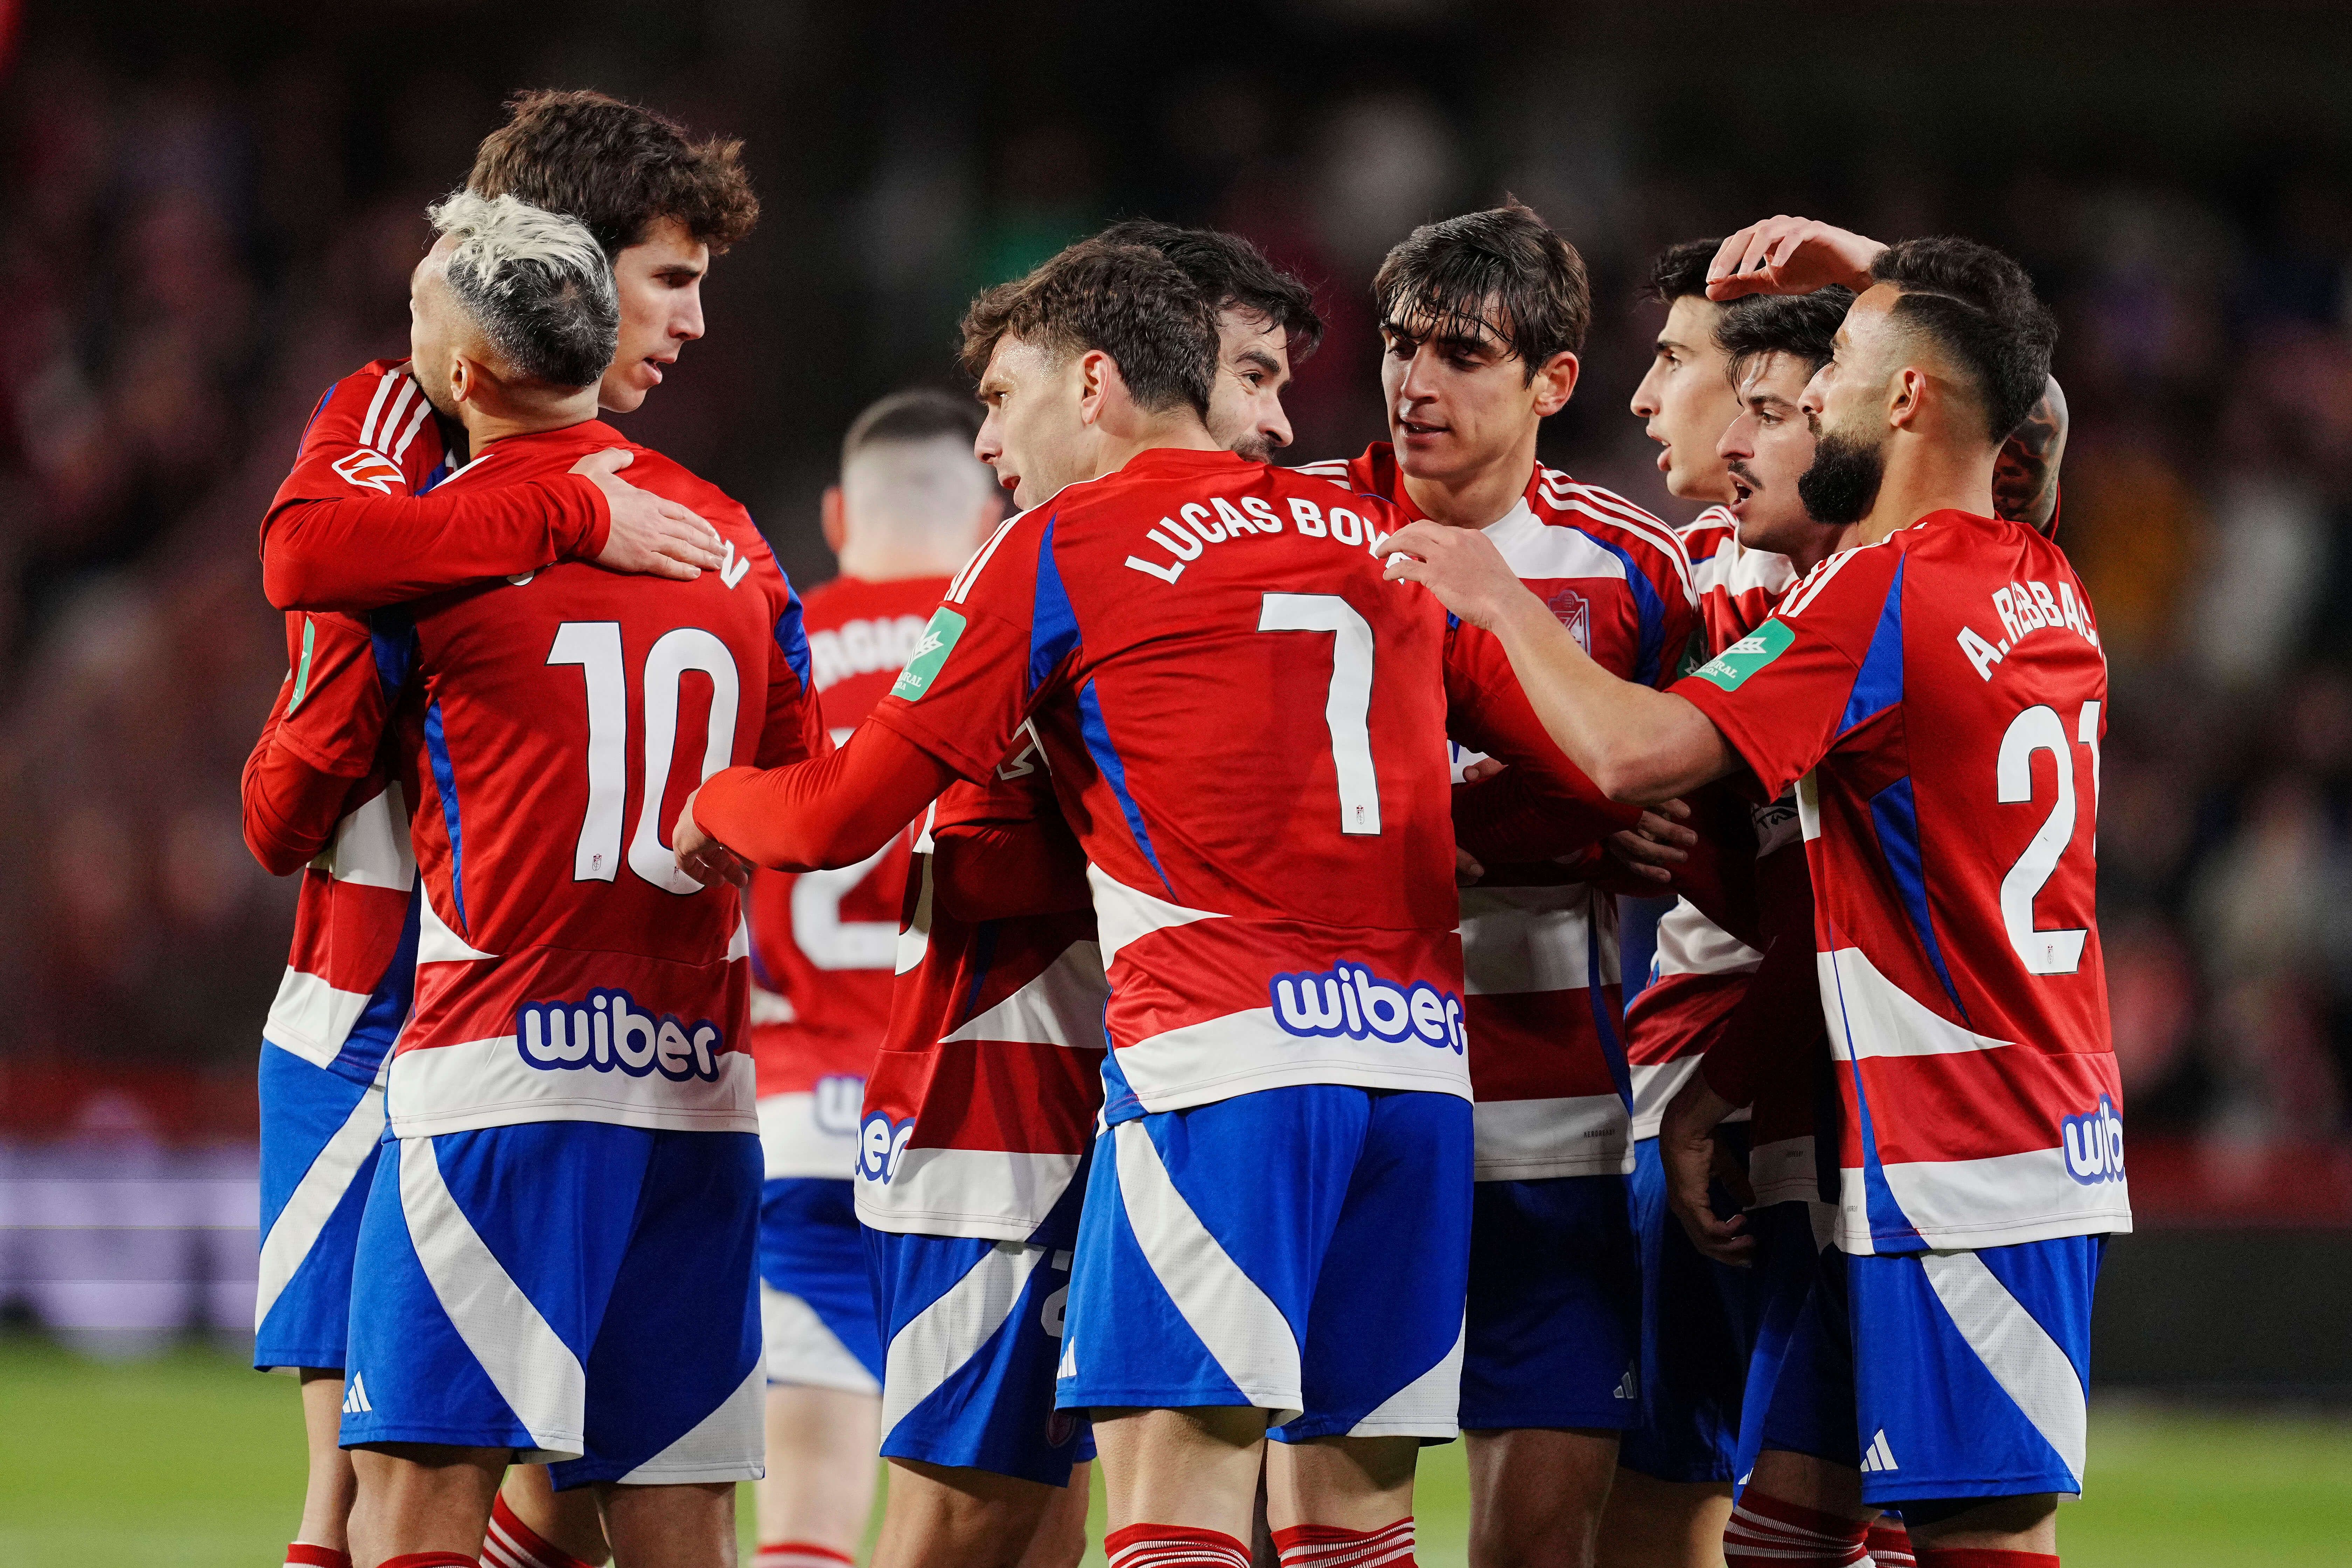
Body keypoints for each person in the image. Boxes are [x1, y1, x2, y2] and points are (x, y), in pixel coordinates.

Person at [673, 233, 1620, 1568]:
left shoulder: (1060, 545)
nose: (988, 442)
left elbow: (836, 819)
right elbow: (1582, 761)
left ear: (1094, 383)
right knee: (1354, 1532)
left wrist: (709, 806)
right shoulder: (1374, 536)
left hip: (1215, 1065)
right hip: (1415, 1081)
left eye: (1003, 399)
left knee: (1164, 1514)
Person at [1381, 235, 2122, 1568]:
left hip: (1962, 1137)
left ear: (1901, 402)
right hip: (1950, 1123)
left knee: (1974, 1536)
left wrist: (1498, 600)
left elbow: (1628, 754)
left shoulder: (1875, 593)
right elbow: (2021, 388)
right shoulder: (2035, 565)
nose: (1793, 393)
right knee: (1789, 1528)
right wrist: (1889, 268)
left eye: (1828, 368)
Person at [243, 88, 765, 1568]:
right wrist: (562, 526)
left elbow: (291, 773)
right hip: (379, 992)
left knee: (531, 1479)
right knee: (364, 1487)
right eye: (668, 280)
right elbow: (312, 572)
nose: (688, 323)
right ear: (567, 275)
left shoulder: (668, 500)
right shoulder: (400, 414)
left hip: (542, 1012)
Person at [853, 224, 1325, 1568]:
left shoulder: (1237, 562)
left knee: (1197, 1500)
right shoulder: (1050, 568)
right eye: (1252, 377)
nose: (1275, 425)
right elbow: (959, 858)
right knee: (976, 1515)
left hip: (1184, 1084)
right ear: (1142, 377)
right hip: (1006, 1088)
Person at [1296, 203, 1698, 1568]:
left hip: (1557, 1111)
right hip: (1338, 1089)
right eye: (1404, 346)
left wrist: (1651, 826)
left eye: (1462, 354)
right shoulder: (1291, 530)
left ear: (1553, 383)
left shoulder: (1637, 566)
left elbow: (1698, 788)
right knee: (1314, 1533)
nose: (1416, 383)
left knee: (1537, 1539)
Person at [741, 389, 1003, 1568]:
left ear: (840, 513)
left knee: (805, 1511)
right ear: (992, 506)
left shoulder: (767, 651)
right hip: (966, 1133)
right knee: (969, 1509)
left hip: (790, 1123)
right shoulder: (1010, 643)